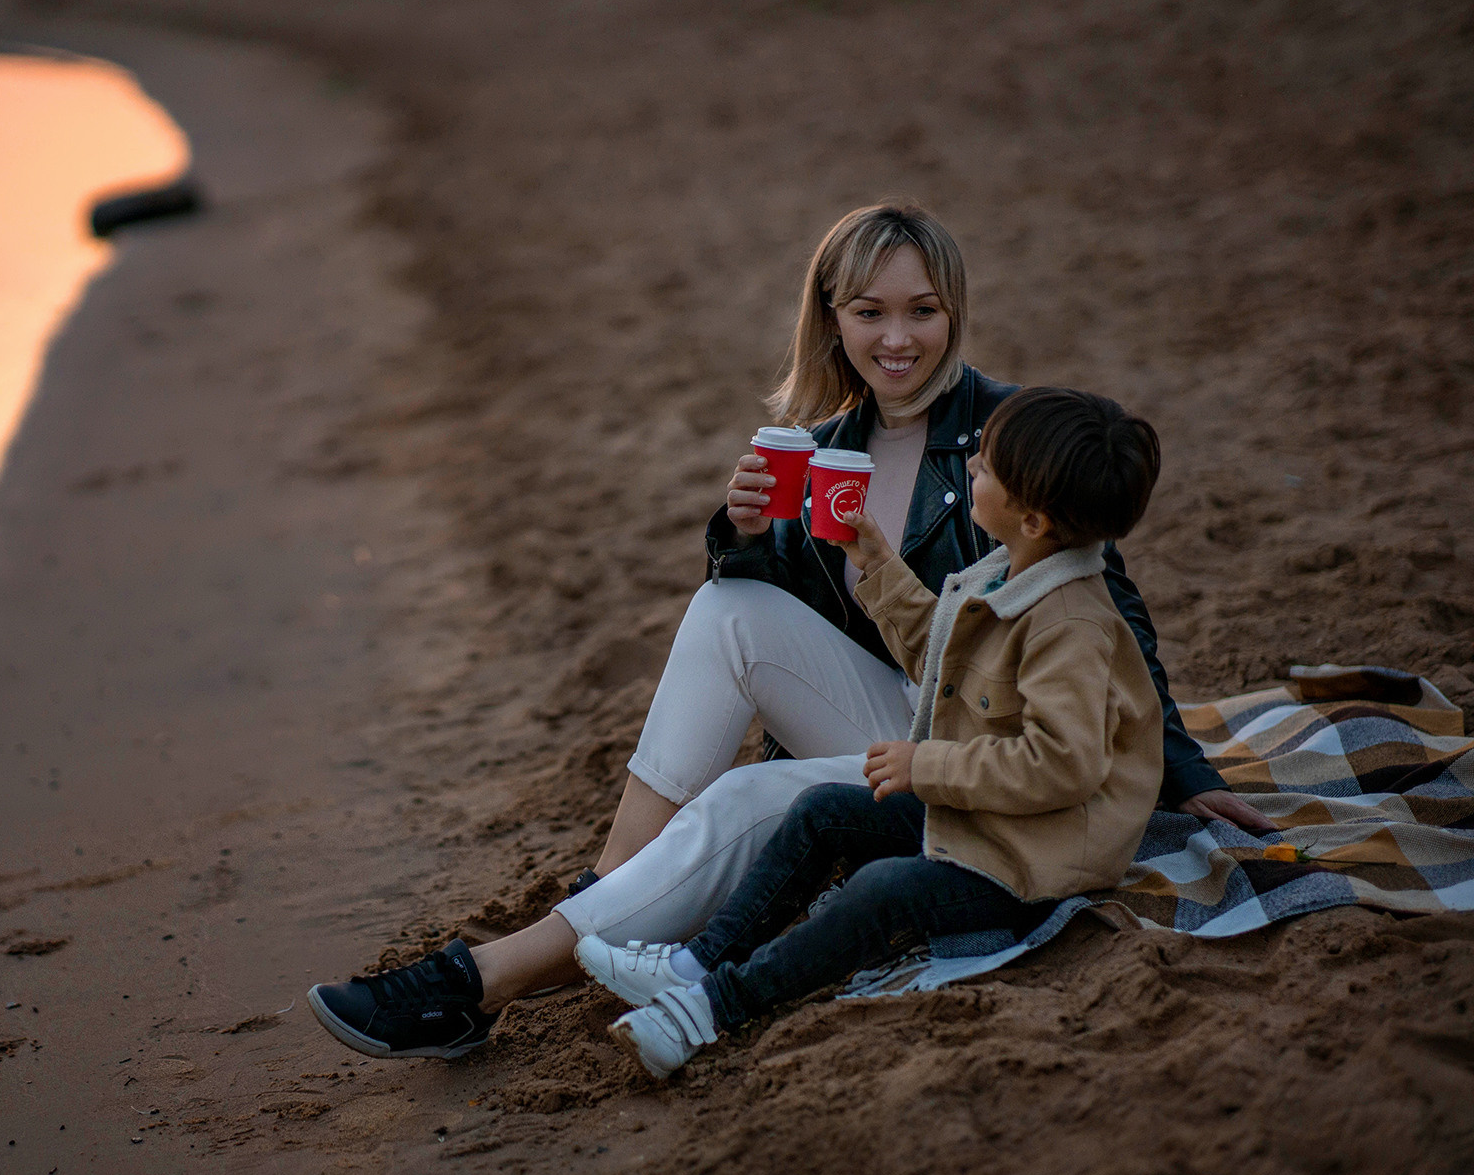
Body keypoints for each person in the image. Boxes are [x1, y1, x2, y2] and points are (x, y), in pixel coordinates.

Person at [305, 202, 1270, 1063]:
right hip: (916, 703)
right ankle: (611, 884)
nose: (899, 339)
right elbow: (797, 625)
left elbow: (1111, 618)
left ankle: (488, 978)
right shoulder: (825, 444)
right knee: (728, 607)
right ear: (833, 318)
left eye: (923, 311)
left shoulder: (1005, 438)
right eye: (871, 313)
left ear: (954, 312)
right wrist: (745, 531)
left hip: (972, 736)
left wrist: (1191, 777)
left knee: (749, 797)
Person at [579, 385, 1165, 1077]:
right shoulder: (1011, 568)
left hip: (1036, 860)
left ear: (1034, 516)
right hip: (993, 817)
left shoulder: (1070, 624)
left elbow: (1061, 765)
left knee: (881, 889)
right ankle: (693, 962)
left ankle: (712, 1008)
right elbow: (942, 656)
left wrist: (929, 766)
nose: (972, 460)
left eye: (988, 466)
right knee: (825, 811)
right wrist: (877, 564)